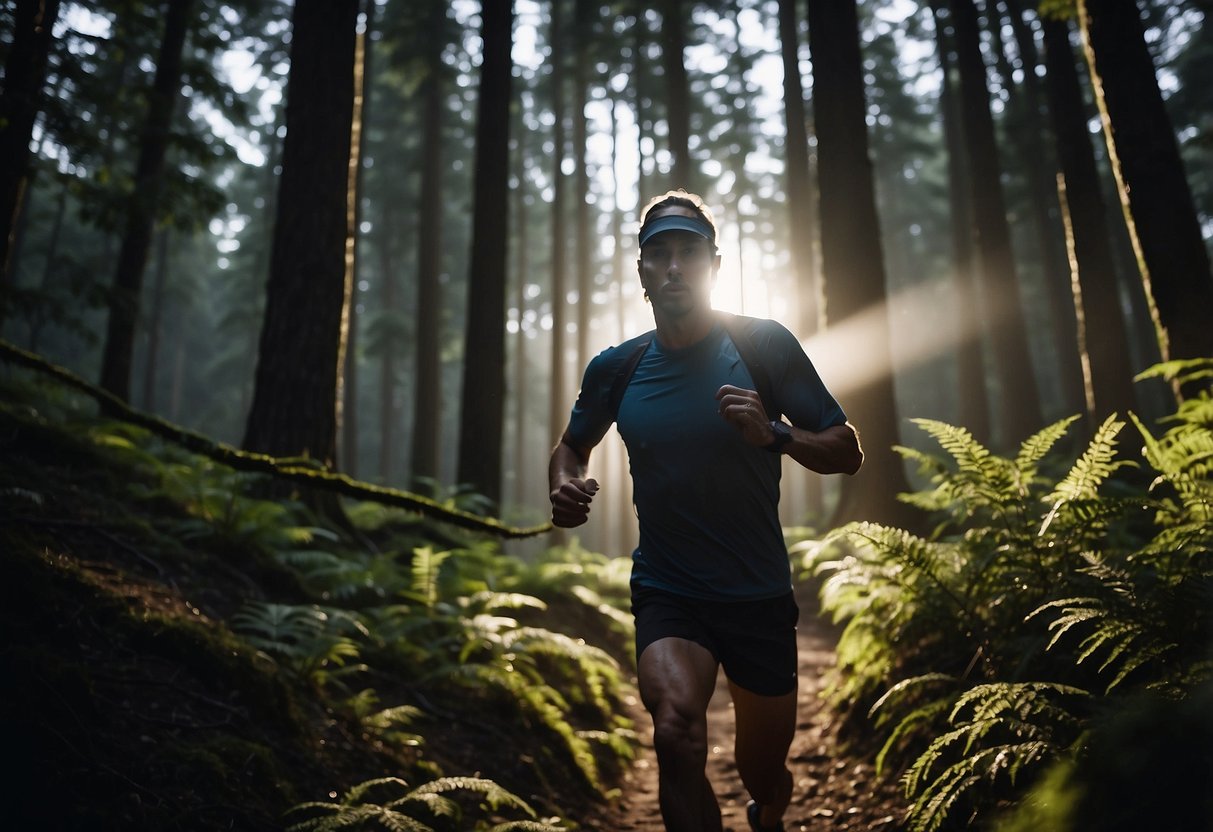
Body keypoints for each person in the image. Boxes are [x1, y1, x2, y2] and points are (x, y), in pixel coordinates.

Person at [548, 190, 863, 832]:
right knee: (676, 732)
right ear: (641, 273)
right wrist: (565, 485)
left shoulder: (764, 346)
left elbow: (846, 449)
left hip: (757, 593)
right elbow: (571, 448)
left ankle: (768, 808)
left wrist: (775, 434)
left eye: (688, 253)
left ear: (713, 265)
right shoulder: (618, 367)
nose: (672, 267)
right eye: (657, 254)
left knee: (763, 771)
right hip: (670, 588)